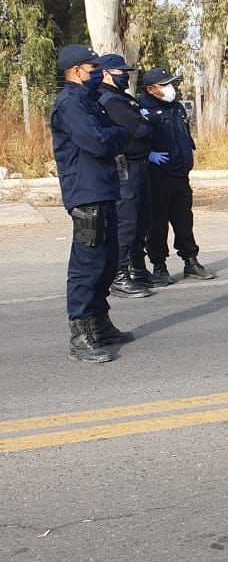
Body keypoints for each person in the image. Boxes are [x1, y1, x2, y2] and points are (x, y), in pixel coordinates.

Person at [50, 44, 133, 362]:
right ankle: (81, 333)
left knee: (108, 261)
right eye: (92, 67)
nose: (97, 72)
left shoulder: (89, 101)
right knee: (88, 265)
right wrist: (115, 136)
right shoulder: (71, 104)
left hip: (104, 190)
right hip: (86, 194)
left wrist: (114, 135)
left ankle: (99, 323)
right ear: (76, 71)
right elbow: (97, 142)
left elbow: (117, 134)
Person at [139, 68, 215, 285]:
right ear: (151, 89)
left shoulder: (176, 107)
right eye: (164, 85)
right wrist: (148, 155)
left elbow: (185, 134)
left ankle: (191, 261)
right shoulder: (142, 109)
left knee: (184, 221)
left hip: (180, 174)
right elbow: (135, 139)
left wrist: (189, 151)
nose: (169, 88)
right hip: (157, 177)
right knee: (157, 224)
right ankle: (159, 266)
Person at [98, 54, 155, 297]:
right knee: (126, 222)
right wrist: (146, 122)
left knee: (142, 219)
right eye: (120, 72)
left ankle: (137, 267)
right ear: (105, 73)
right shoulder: (109, 99)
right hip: (125, 167)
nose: (125, 75)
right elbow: (141, 128)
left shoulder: (123, 97)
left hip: (140, 164)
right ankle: (119, 275)